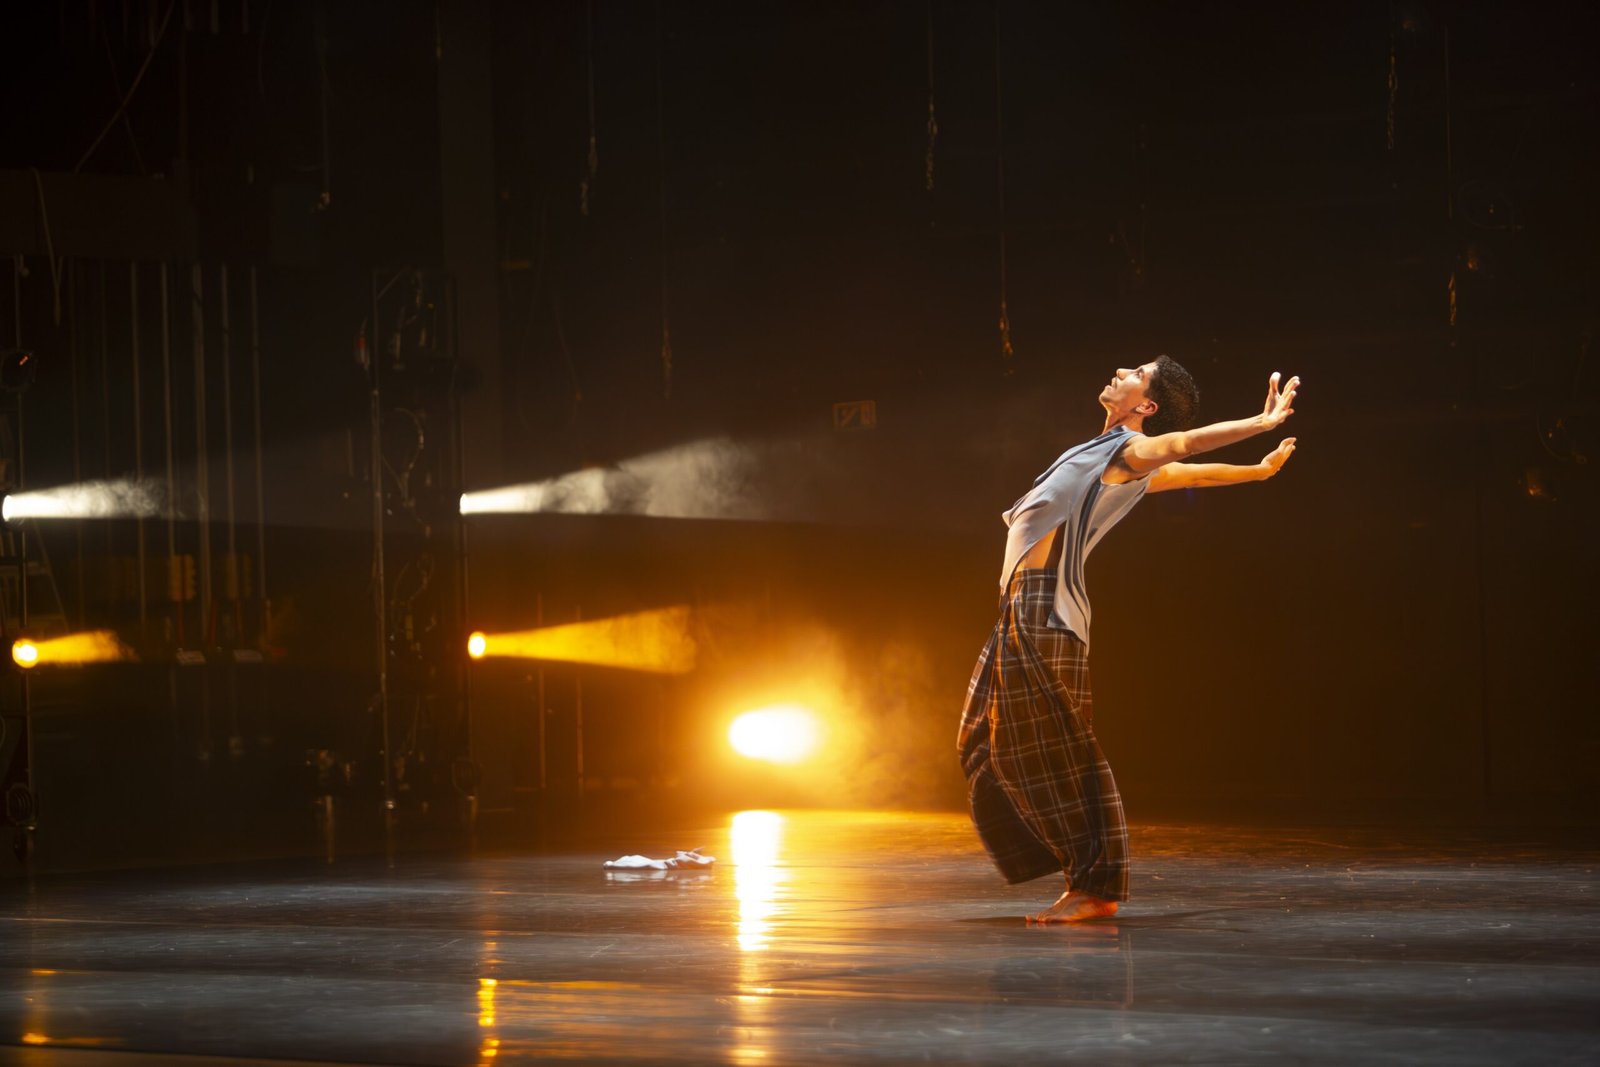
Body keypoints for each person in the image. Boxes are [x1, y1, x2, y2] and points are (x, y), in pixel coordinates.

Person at [958, 357, 1300, 923]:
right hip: (1018, 607)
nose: (1120, 368)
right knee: (982, 743)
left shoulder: (1131, 449)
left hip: (1047, 608)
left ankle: (1093, 885)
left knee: (1058, 747)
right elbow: (1190, 474)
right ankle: (1062, 865)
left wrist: (1259, 425)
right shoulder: (1103, 455)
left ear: (1146, 406)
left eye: (1137, 371)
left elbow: (1183, 447)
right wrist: (1257, 472)